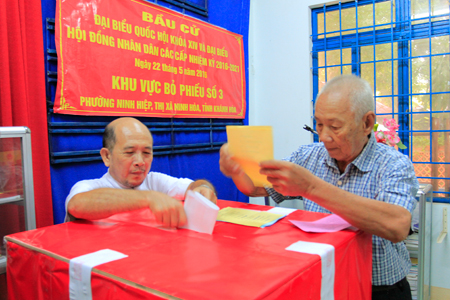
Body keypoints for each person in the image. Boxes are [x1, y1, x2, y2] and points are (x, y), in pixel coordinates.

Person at [219, 74, 418, 300]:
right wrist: (236, 170)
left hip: (380, 290)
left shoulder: (394, 164)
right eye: (319, 124)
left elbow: (397, 225)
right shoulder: (307, 156)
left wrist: (312, 188)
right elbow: (257, 188)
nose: (323, 137)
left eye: (334, 127)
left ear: (367, 123)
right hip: (326, 282)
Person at [65, 117, 217, 228]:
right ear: (107, 156)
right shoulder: (90, 187)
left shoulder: (154, 182)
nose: (140, 161)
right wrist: (147, 198)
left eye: (146, 153)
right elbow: (76, 204)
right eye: (129, 152)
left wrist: (204, 189)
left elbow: (194, 185)